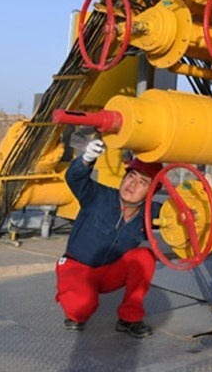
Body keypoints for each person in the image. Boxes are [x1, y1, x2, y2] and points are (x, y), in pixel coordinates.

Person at [55, 138, 163, 338]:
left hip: (110, 272)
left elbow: (181, 215)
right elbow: (74, 178)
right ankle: (75, 302)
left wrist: (200, 197)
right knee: (81, 308)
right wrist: (86, 159)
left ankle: (129, 318)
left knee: (144, 256)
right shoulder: (98, 196)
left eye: (143, 182)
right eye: (131, 176)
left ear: (152, 192)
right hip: (77, 267)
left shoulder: (151, 214)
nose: (132, 184)